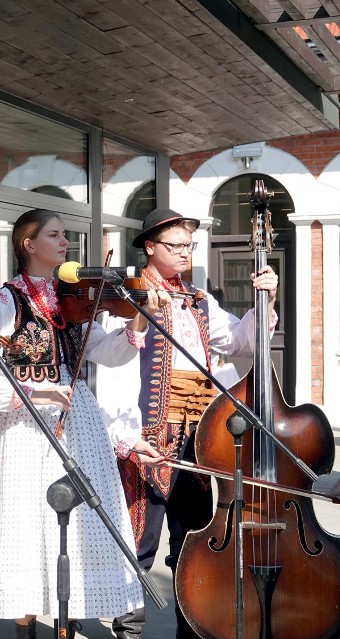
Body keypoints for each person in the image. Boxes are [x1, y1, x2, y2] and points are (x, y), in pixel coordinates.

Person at [0, 208, 158, 639]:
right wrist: (33, 394)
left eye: (65, 235)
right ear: (29, 245)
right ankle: (25, 626)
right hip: (24, 426)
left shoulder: (75, 296)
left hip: (77, 418)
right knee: (27, 524)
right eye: (54, 235)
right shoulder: (6, 301)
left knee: (79, 526)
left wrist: (138, 317)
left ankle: (67, 618)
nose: (65, 242)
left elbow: (108, 352)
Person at [100, 207, 278, 639]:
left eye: (189, 246)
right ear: (150, 246)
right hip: (145, 433)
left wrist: (265, 299)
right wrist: (126, 436)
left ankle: (190, 628)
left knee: (191, 539)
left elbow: (239, 342)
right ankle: (129, 628)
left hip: (198, 436)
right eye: (175, 245)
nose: (185, 253)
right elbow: (113, 367)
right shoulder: (126, 297)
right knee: (140, 537)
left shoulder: (199, 300)